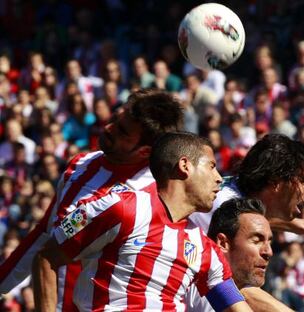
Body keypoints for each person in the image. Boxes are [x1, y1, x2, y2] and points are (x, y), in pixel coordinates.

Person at [0, 89, 184, 312]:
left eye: (122, 131)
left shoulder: (154, 197)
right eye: (115, 119)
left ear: (145, 151)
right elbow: (44, 233)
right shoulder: (80, 165)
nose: (108, 128)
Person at [33, 132, 252, 312]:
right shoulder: (121, 207)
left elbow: (235, 306)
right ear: (185, 165)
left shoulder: (206, 251)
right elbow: (47, 257)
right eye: (212, 166)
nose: (218, 178)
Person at [190, 133, 304, 237]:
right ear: (276, 182)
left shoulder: (235, 195)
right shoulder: (224, 208)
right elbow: (243, 222)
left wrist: (303, 225)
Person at [187, 197, 294, 312]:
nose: (269, 252)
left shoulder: (240, 288)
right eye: (257, 240)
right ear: (223, 243)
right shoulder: (201, 287)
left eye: (270, 242)